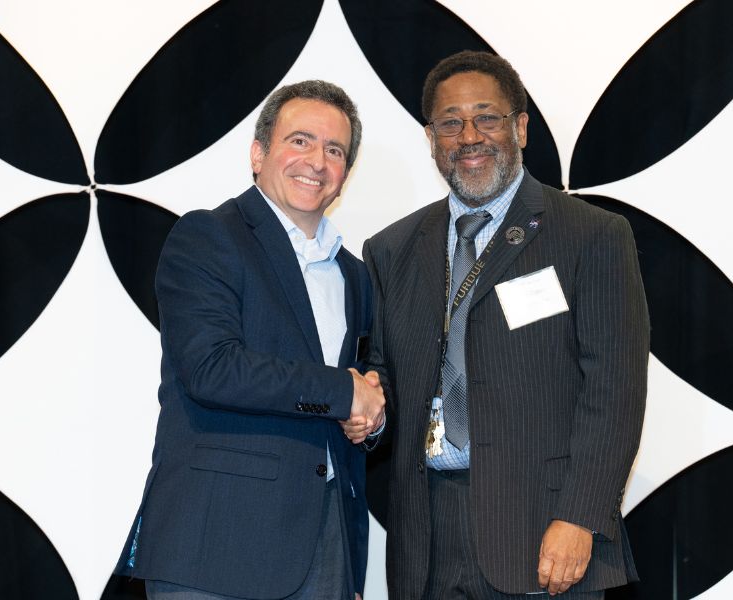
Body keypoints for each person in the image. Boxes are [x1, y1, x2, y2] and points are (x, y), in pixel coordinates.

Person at [363, 51, 650, 599]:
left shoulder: (590, 235)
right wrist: (368, 413)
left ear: (519, 127)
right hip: (425, 542)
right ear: (431, 138)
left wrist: (581, 516)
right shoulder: (391, 250)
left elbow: (615, 390)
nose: (469, 135)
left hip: (544, 532)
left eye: (486, 117)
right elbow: (385, 381)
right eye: (451, 122)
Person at [115, 80, 385, 600]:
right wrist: (344, 393)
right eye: (300, 140)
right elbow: (212, 369)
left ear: (344, 175)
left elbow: (367, 382)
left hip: (326, 546)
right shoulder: (209, 237)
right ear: (259, 154)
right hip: (217, 545)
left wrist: (372, 413)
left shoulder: (355, 274)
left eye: (334, 150)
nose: (317, 161)